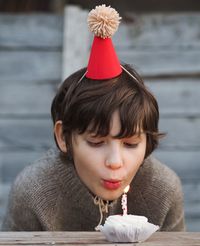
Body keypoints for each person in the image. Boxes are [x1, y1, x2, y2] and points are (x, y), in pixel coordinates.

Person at [2, 5, 185, 231]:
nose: (115, 162)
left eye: (131, 143)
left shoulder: (163, 190)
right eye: (96, 142)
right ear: (63, 137)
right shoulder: (34, 193)